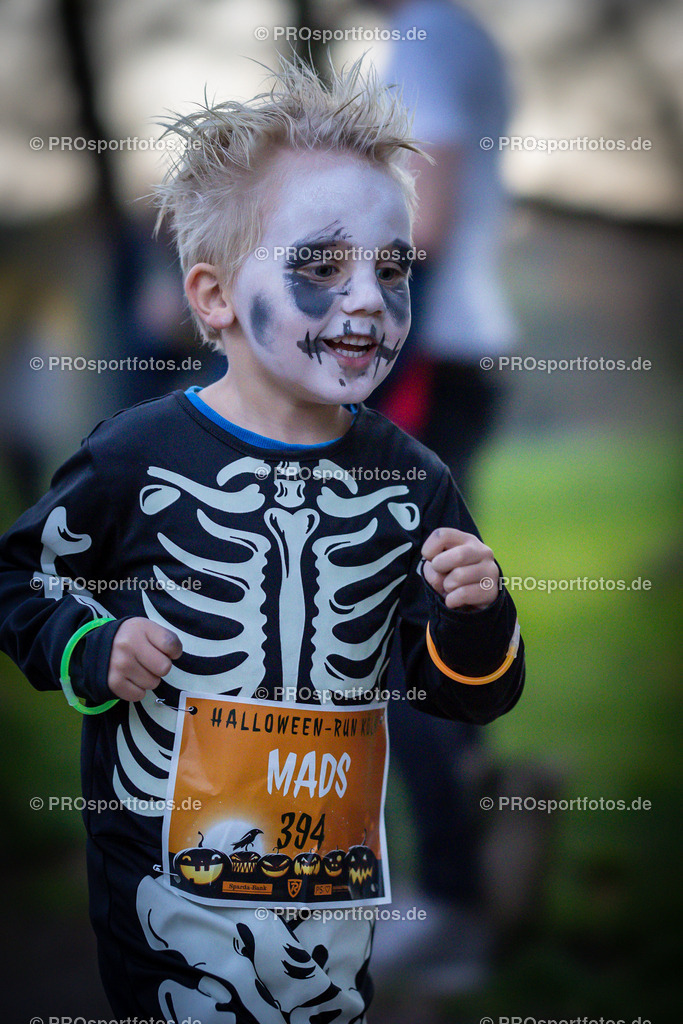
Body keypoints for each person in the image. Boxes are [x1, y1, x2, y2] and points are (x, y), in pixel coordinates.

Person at [0, 55, 524, 1022]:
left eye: (393, 268)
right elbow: (16, 580)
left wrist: (478, 616)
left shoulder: (413, 482)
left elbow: (460, 692)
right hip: (166, 920)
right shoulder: (133, 458)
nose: (367, 297)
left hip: (330, 917)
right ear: (211, 298)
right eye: (321, 266)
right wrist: (89, 641)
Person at [366, 0, 519, 990]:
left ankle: (454, 906)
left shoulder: (421, 32)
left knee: (397, 624)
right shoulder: (451, 30)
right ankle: (464, 830)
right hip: (460, 350)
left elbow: (428, 207)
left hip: (430, 350)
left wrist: (352, 301)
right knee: (439, 607)